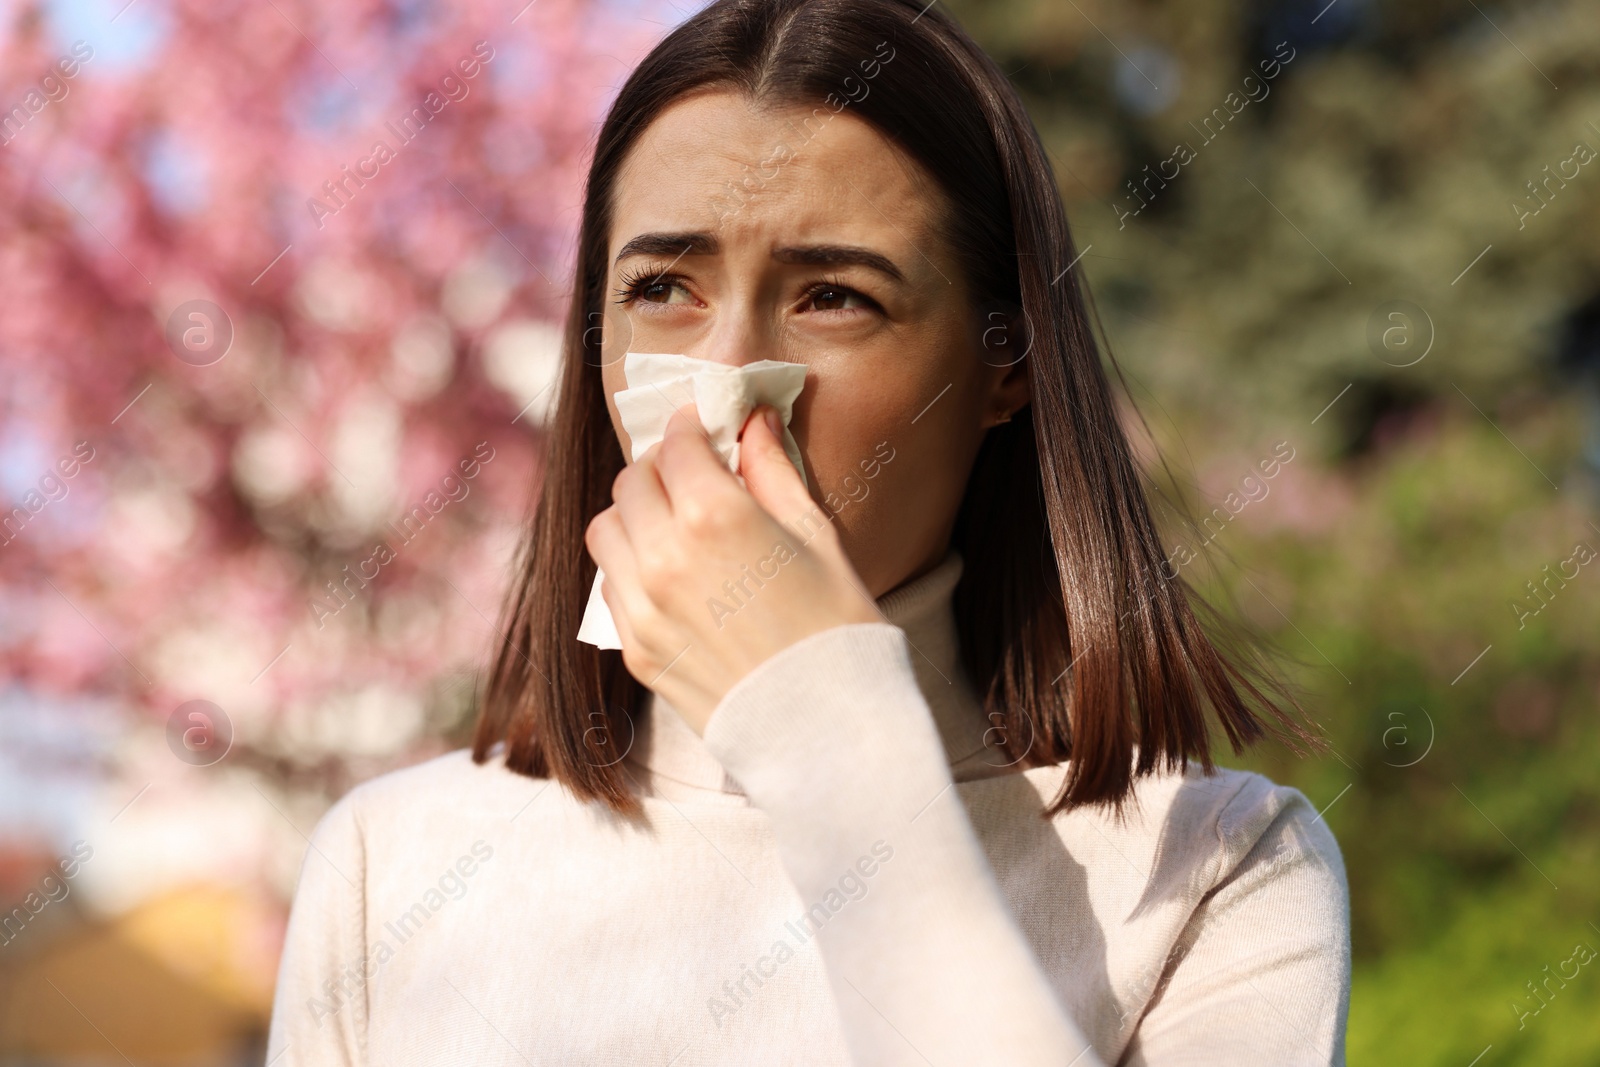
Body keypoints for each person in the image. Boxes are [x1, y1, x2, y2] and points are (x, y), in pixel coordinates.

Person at [266, 0, 1350, 1062]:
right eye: (661, 288)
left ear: (1004, 362)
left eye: (832, 295)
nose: (730, 390)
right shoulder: (392, 865)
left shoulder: (1212, 868)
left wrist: (822, 723)